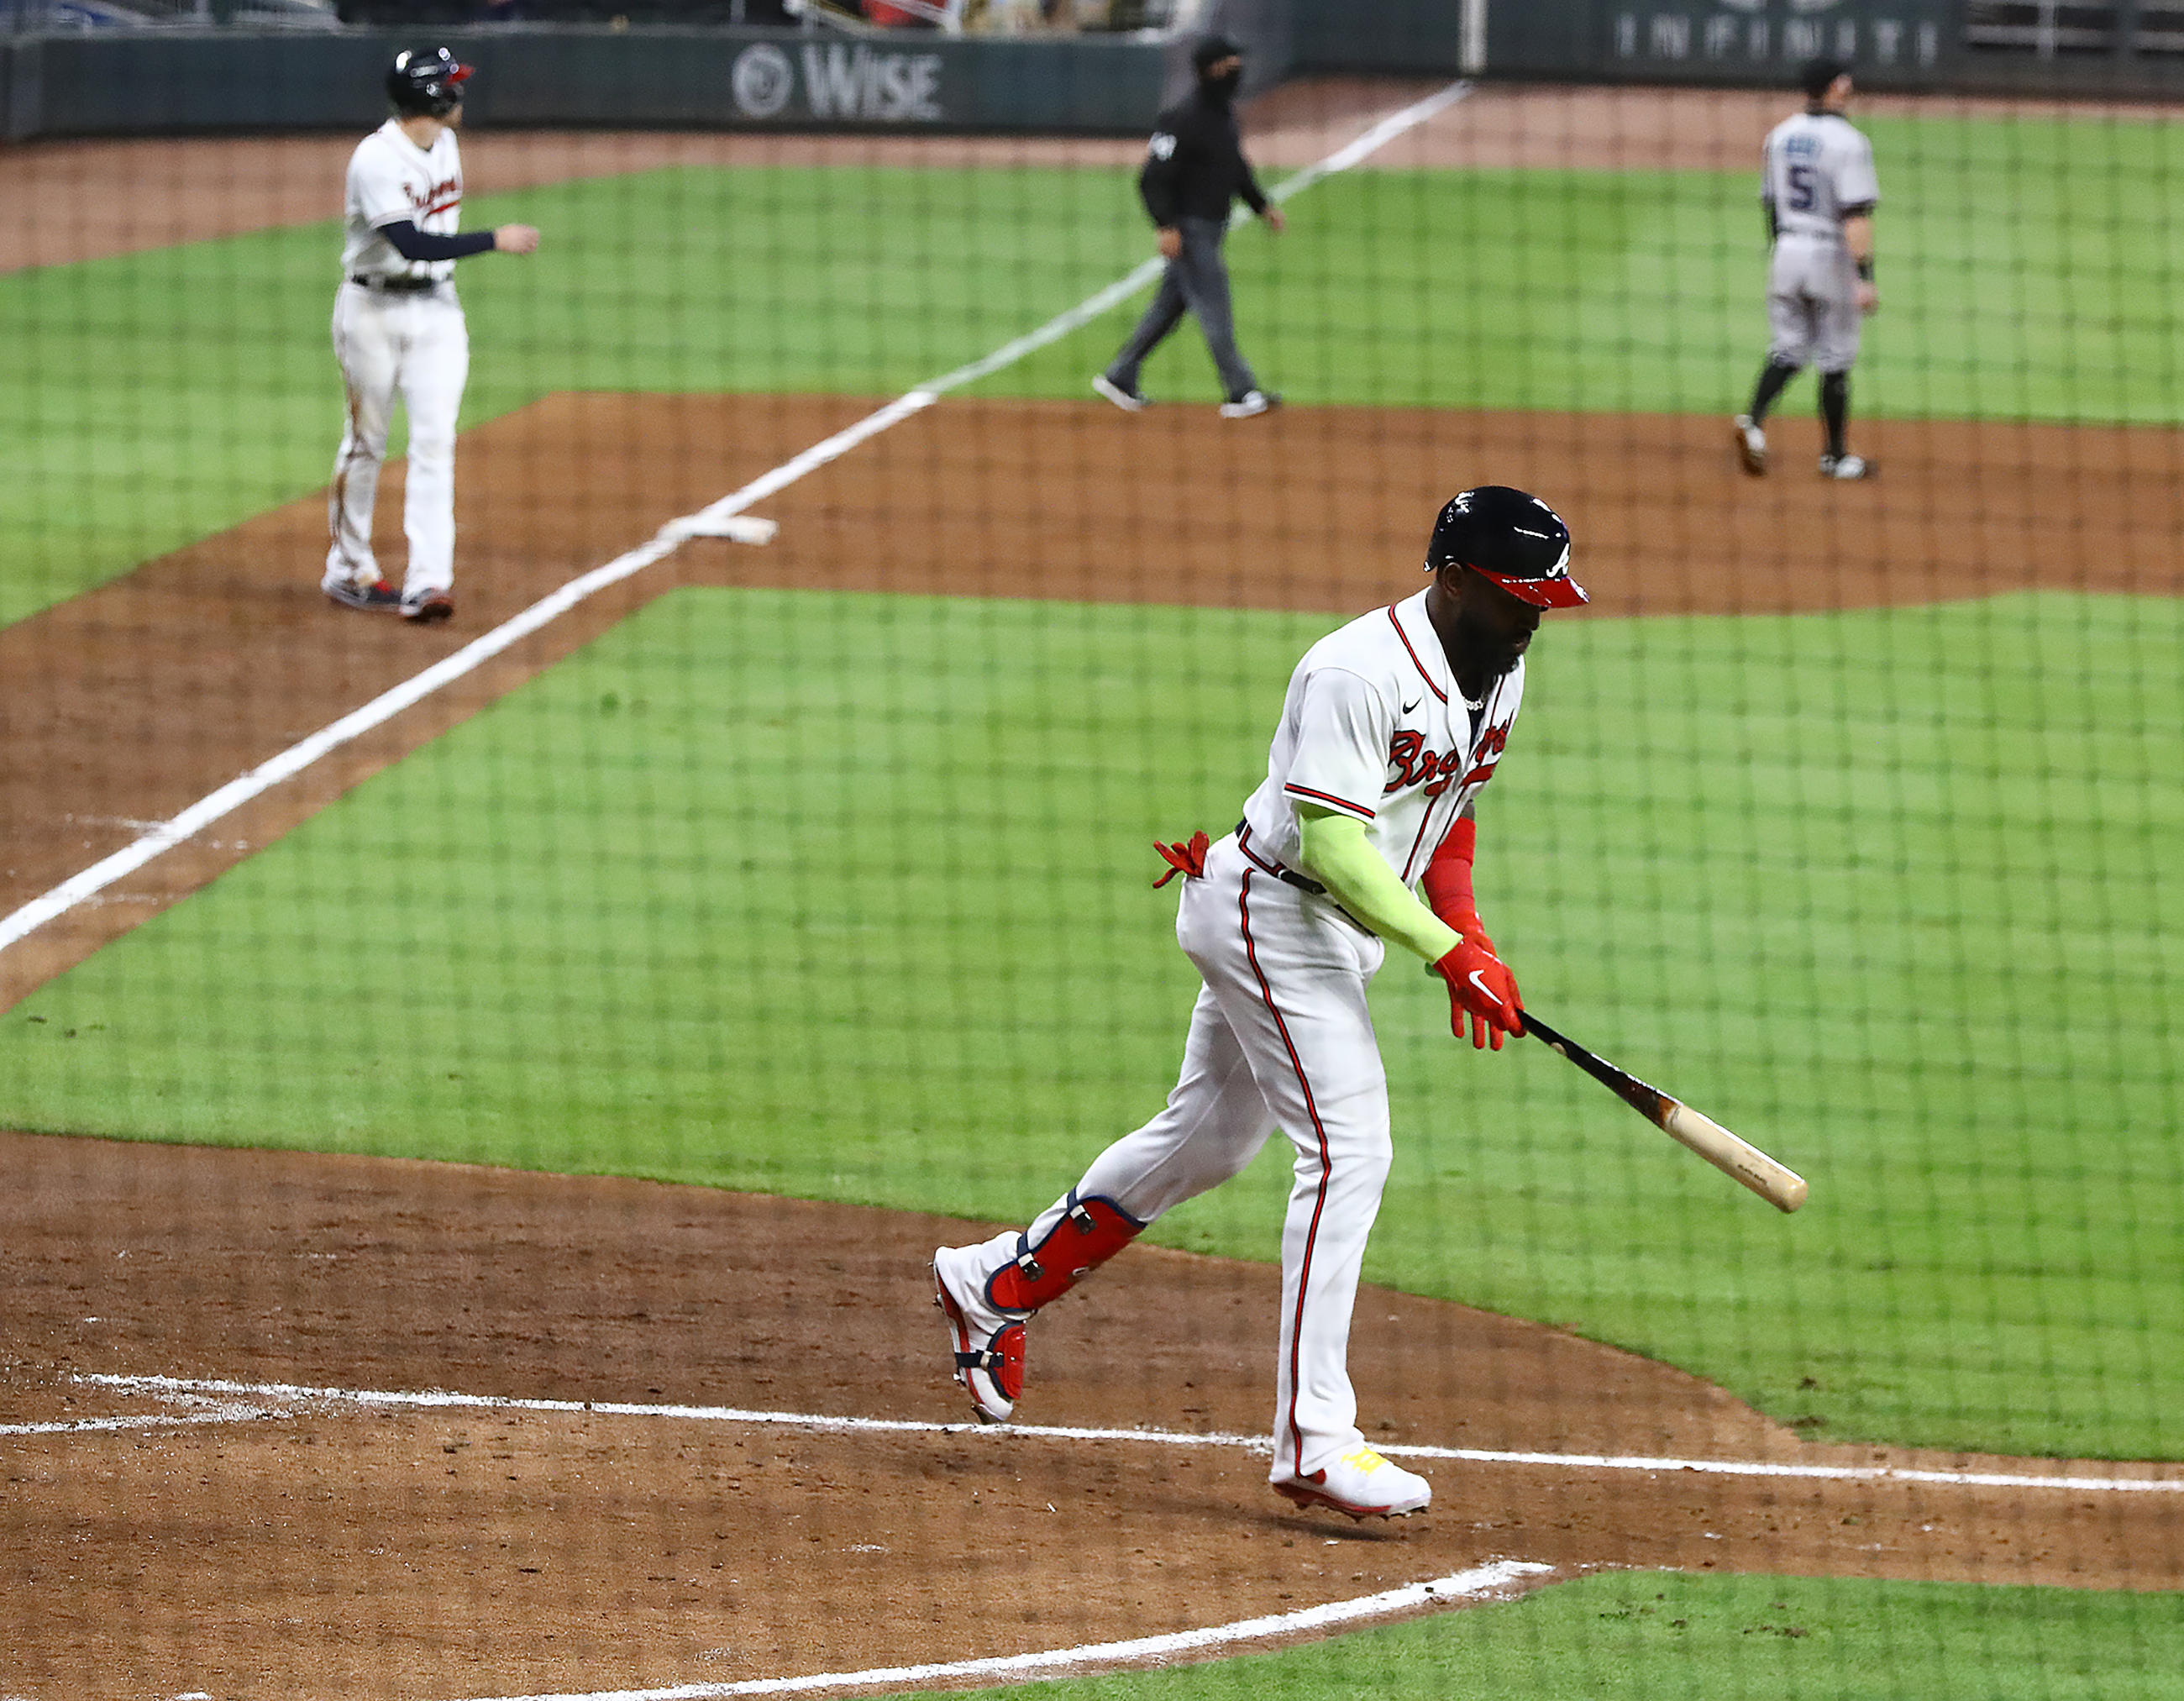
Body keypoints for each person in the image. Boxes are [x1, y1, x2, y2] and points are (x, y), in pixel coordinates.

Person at [933, 487, 1588, 1520]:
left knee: (1205, 1142)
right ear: (1452, 578)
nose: (1535, 615)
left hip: (1327, 925)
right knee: (1349, 1149)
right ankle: (1313, 1440)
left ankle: (992, 1283)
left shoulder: (1498, 672)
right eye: (1519, 596)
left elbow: (1445, 821)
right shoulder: (1352, 671)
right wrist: (1443, 950)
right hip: (1270, 911)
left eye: (1546, 597)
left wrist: (1475, 937)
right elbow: (1331, 845)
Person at [323, 48, 540, 622]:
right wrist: (495, 239)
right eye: (453, 86)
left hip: (438, 311)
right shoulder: (376, 159)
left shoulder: (444, 144)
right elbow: (411, 243)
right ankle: (349, 568)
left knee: (434, 442)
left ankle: (428, 582)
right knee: (367, 441)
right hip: (370, 310)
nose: (461, 94)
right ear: (434, 97)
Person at [1093, 34, 1284, 420]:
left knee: (1168, 309)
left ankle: (1120, 375)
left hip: (1213, 226)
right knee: (1215, 310)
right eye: (1232, 64)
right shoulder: (1182, 117)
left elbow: (1236, 168)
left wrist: (1262, 205)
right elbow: (1151, 178)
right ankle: (1240, 391)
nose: (1239, 70)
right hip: (1191, 230)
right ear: (1213, 69)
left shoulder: (1223, 114)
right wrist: (1165, 225)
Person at [1734, 57, 1881, 481]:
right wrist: (1865, 278)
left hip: (1787, 250)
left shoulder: (1780, 135)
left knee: (1789, 347)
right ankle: (1835, 457)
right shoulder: (1849, 142)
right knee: (1836, 358)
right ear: (1835, 87)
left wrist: (1780, 254)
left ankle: (1754, 422)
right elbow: (1855, 216)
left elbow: (1770, 205)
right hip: (1829, 255)